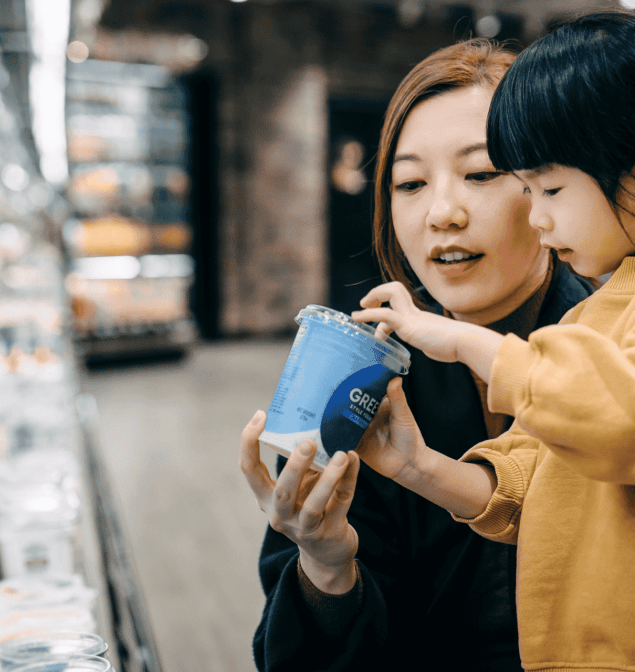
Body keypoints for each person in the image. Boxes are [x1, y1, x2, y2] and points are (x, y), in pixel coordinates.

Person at [351, 11, 635, 670]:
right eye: (526, 189)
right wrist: (419, 468)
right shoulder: (594, 313)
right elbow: (532, 479)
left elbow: (625, 416)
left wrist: (465, 342)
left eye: (550, 188)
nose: (537, 216)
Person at [239, 39, 594, 671]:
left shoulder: (627, 347)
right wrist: (326, 565)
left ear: (550, 185)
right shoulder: (358, 375)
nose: (441, 213)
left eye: (481, 173)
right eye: (410, 183)